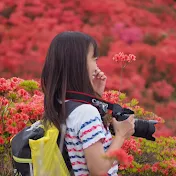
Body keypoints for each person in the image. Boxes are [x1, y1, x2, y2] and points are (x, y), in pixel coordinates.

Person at [41, 31, 135, 176]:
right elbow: (98, 170)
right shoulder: (85, 112)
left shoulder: (60, 103)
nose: (97, 66)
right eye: (94, 59)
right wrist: (121, 135)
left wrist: (95, 96)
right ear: (78, 64)